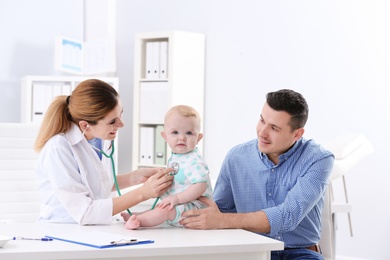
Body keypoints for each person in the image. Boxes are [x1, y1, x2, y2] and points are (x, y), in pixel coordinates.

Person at [180, 89, 334, 260]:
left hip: (300, 253)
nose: (262, 132)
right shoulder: (236, 157)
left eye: (274, 128)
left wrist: (222, 220)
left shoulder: (319, 159)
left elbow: (287, 216)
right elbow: (219, 211)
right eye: (262, 120)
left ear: (297, 134)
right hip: (249, 251)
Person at [34, 79, 173, 225]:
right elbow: (85, 213)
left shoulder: (98, 137)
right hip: (63, 231)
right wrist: (143, 193)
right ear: (85, 125)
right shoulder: (58, 149)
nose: (121, 124)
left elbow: (96, 184)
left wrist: (135, 177)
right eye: (112, 122)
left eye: (121, 114)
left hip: (95, 230)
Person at [122, 105, 212, 229]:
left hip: (195, 209)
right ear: (165, 136)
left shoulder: (194, 161)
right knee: (161, 207)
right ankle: (140, 215)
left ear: (198, 138)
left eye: (189, 133)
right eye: (175, 132)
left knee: (165, 210)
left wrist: (177, 198)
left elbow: (200, 186)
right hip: (180, 205)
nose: (182, 137)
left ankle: (140, 220)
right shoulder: (177, 156)